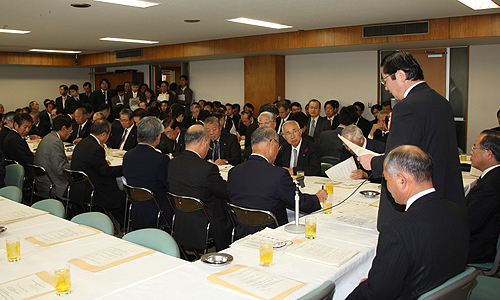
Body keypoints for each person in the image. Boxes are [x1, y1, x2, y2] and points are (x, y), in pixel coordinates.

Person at [358, 51, 465, 231]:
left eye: (385, 81)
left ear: (400, 75)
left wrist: (372, 162)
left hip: (414, 206)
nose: (386, 88)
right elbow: (428, 143)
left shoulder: (406, 107)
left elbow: (400, 160)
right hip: (441, 196)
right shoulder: (441, 102)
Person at [347, 145, 469, 300]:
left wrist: (368, 287)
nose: (386, 187)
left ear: (401, 180)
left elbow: (376, 295)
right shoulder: (457, 211)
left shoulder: (397, 231)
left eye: (386, 180)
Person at [227, 127, 325, 239]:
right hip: (273, 236)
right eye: (278, 148)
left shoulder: (233, 172)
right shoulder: (278, 175)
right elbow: (299, 202)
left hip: (242, 234)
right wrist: (316, 198)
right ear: (272, 143)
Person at [167, 124, 232, 251]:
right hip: (205, 221)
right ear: (203, 142)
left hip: (181, 217)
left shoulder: (172, 163)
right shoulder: (207, 168)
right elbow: (226, 192)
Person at [70, 119, 125, 224]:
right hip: (91, 189)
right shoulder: (96, 148)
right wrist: (124, 168)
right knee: (119, 193)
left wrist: (102, 163)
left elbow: (93, 164)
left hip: (78, 186)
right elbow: (106, 172)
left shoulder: (82, 143)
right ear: (103, 134)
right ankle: (123, 224)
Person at [123, 117, 173, 229]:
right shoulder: (160, 160)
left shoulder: (128, 155)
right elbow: (169, 185)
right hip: (157, 210)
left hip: (136, 208)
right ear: (158, 137)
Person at [466, 130, 500, 263]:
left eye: (474, 147)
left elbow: (469, 223)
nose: (472, 152)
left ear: (489, 154)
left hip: (477, 249)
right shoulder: (493, 177)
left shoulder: (488, 187)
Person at [33, 116, 72, 199]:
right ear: (63, 128)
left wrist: (66, 158)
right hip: (53, 184)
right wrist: (75, 162)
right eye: (69, 131)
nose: (70, 134)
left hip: (42, 182)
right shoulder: (56, 142)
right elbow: (61, 170)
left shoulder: (47, 137)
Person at [4, 113, 34, 178]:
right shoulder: (17, 140)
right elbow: (29, 160)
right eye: (25, 127)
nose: (27, 130)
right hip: (23, 173)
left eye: (29, 127)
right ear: (16, 125)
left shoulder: (11, 136)